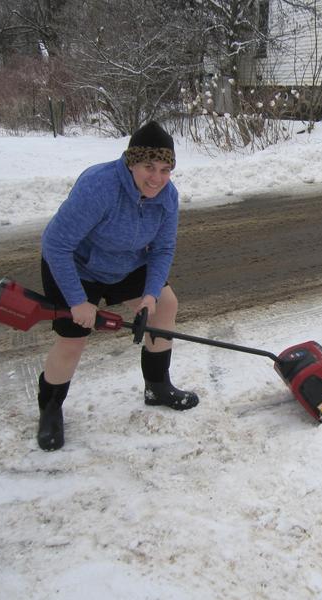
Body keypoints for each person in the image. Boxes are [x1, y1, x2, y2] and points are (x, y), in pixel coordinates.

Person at [36, 121, 199, 451]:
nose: (157, 178)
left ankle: (157, 386)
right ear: (131, 162)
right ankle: (50, 409)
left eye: (165, 169)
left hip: (126, 263)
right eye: (149, 167)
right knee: (73, 340)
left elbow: (164, 248)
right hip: (76, 265)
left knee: (166, 305)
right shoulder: (100, 186)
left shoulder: (167, 197)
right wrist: (78, 301)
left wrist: (150, 295)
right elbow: (56, 245)